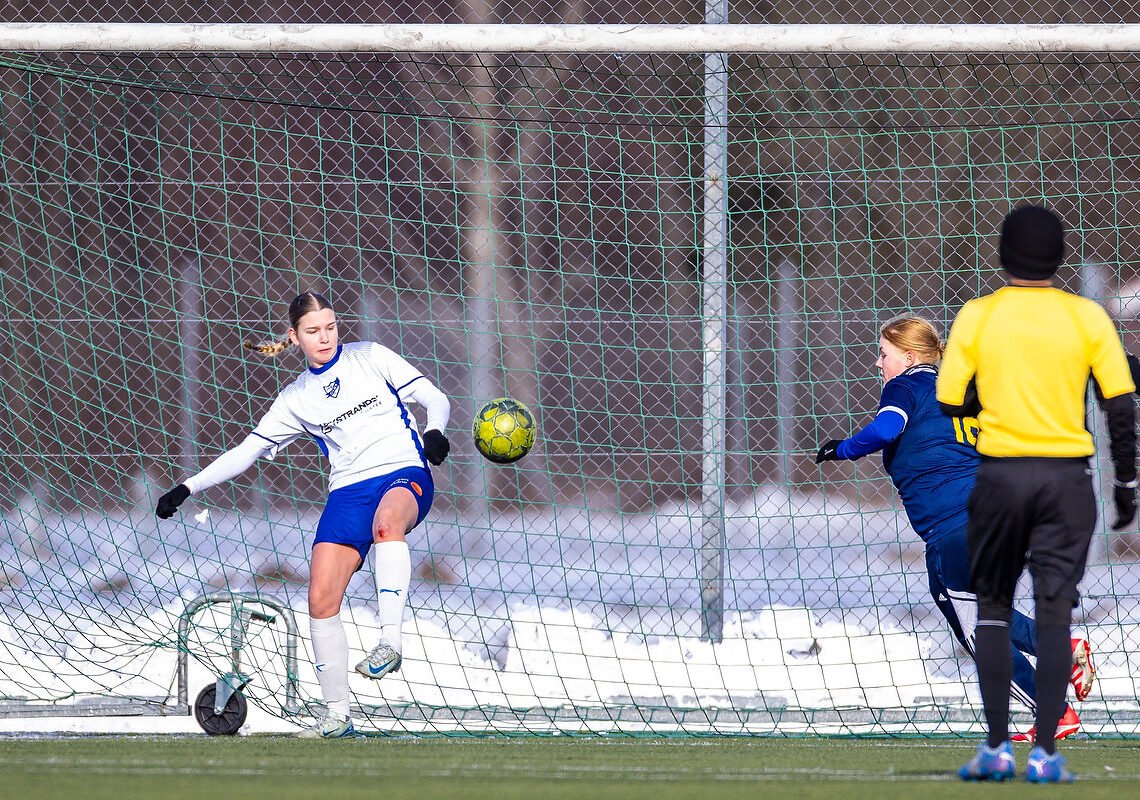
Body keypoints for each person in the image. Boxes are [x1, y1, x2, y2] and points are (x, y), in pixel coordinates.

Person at [155, 291, 452, 739]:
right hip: (348, 491)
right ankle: (336, 717)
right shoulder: (296, 398)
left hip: (403, 471)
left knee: (387, 525)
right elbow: (247, 452)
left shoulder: (371, 356)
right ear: (294, 337)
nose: (325, 337)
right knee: (320, 599)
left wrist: (435, 432)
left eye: (331, 327)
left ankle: (389, 641)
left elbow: (436, 398)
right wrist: (187, 487)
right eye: (313, 331)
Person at [815, 314, 1096, 747]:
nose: (878, 362)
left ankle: (1055, 703)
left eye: (884, 354)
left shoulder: (906, 386)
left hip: (959, 525)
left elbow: (886, 428)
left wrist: (842, 449)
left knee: (980, 630)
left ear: (910, 357)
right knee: (965, 606)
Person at [937, 205, 1136, 783]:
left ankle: (997, 748)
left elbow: (951, 399)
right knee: (1054, 613)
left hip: (1000, 478)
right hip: (1066, 482)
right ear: (1059, 256)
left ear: (1004, 254)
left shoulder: (977, 314)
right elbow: (1120, 405)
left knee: (993, 611)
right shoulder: (1087, 317)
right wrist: (1125, 482)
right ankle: (1046, 754)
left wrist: (994, 395)